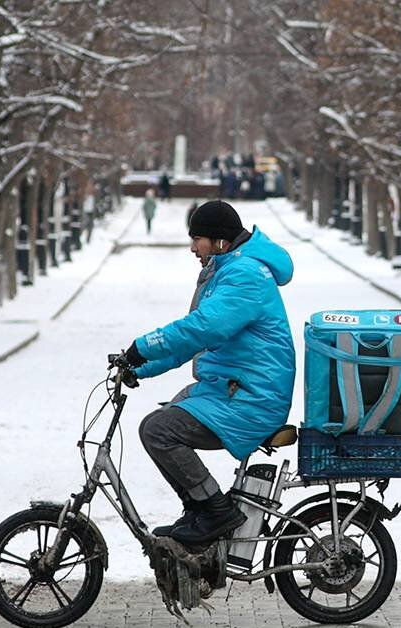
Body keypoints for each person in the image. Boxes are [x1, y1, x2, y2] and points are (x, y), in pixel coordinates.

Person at [120, 200, 295, 546]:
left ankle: (216, 512)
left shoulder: (244, 276)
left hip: (251, 398)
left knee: (159, 430)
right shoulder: (230, 270)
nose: (192, 248)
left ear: (220, 242)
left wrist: (143, 344)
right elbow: (195, 343)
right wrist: (140, 365)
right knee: (162, 422)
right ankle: (200, 514)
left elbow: (201, 328)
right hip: (233, 390)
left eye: (197, 239)